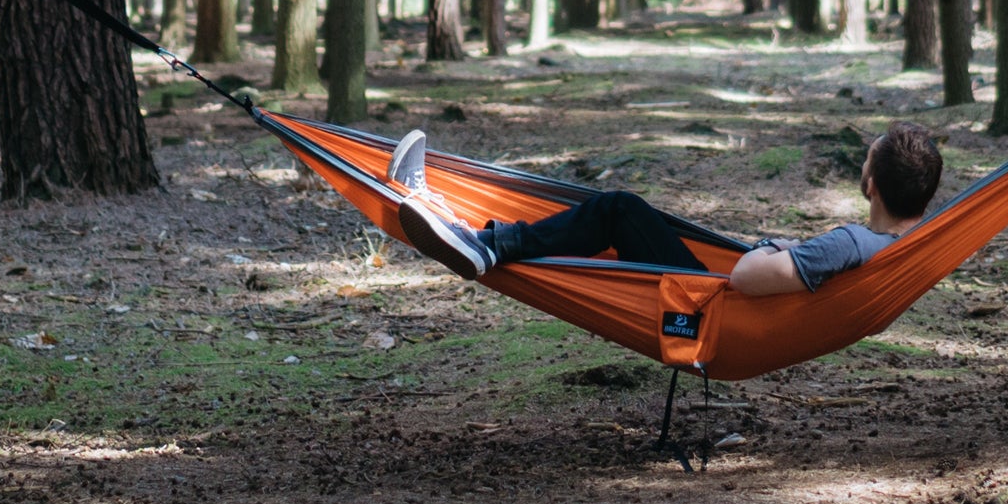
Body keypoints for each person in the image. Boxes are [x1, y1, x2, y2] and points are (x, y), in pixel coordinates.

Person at [388, 121, 944, 294]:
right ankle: (482, 241)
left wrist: (782, 247)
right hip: (725, 308)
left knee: (616, 210)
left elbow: (749, 279)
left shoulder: (851, 243)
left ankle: (484, 244)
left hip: (710, 311)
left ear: (870, 184)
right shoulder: (907, 246)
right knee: (615, 214)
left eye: (865, 160)